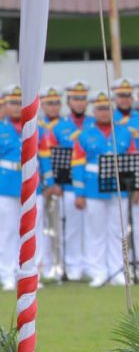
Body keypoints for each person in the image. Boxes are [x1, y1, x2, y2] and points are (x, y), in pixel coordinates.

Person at [74, 91, 136, 287]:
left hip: (119, 188)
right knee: (96, 232)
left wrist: (134, 189)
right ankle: (98, 271)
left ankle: (118, 270)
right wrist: (79, 193)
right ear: (94, 110)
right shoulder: (84, 135)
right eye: (100, 108)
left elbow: (133, 162)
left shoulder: (125, 132)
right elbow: (77, 165)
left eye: (107, 108)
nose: (103, 112)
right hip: (93, 188)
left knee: (119, 231)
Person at [110, 78, 139, 280]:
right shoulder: (109, 119)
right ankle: (121, 265)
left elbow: (138, 152)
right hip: (117, 182)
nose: (125, 99)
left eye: (128, 95)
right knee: (120, 228)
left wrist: (136, 187)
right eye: (121, 95)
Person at [51, 81, 94, 280]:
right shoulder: (58, 127)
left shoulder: (94, 124)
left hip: (93, 182)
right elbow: (49, 156)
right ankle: (73, 266)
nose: (79, 103)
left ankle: (91, 265)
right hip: (67, 183)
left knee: (93, 227)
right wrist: (54, 182)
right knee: (72, 228)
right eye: (75, 99)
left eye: (83, 99)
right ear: (68, 102)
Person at [35, 87, 64, 280]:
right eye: (48, 103)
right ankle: (41, 266)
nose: (53, 107)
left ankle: (57, 265)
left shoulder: (64, 125)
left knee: (55, 226)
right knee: (40, 226)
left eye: (56, 103)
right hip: (40, 184)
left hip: (58, 182)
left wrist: (53, 182)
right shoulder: (37, 126)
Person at [0, 86, 26, 290]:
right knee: (7, 231)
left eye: (20, 102)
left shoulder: (33, 127)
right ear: (5, 106)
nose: (18, 107)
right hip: (6, 186)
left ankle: (25, 272)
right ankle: (6, 273)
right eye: (13, 103)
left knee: (27, 232)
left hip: (29, 185)